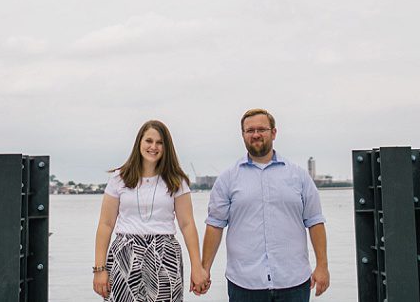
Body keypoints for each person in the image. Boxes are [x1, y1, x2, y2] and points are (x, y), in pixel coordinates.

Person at [198, 108, 330, 301]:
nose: (256, 134)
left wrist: (322, 266)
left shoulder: (299, 176)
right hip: (244, 283)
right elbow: (215, 225)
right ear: (243, 135)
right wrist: (204, 269)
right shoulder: (228, 179)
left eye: (262, 129)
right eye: (250, 130)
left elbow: (315, 221)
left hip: (293, 281)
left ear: (274, 133)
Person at [93, 119, 210, 301]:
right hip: (125, 253)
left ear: (166, 147)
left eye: (159, 143)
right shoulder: (119, 178)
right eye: (149, 141)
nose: (153, 147)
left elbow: (187, 224)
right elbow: (106, 224)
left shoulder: (176, 180)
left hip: (165, 253)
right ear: (139, 142)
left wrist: (197, 266)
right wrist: (99, 269)